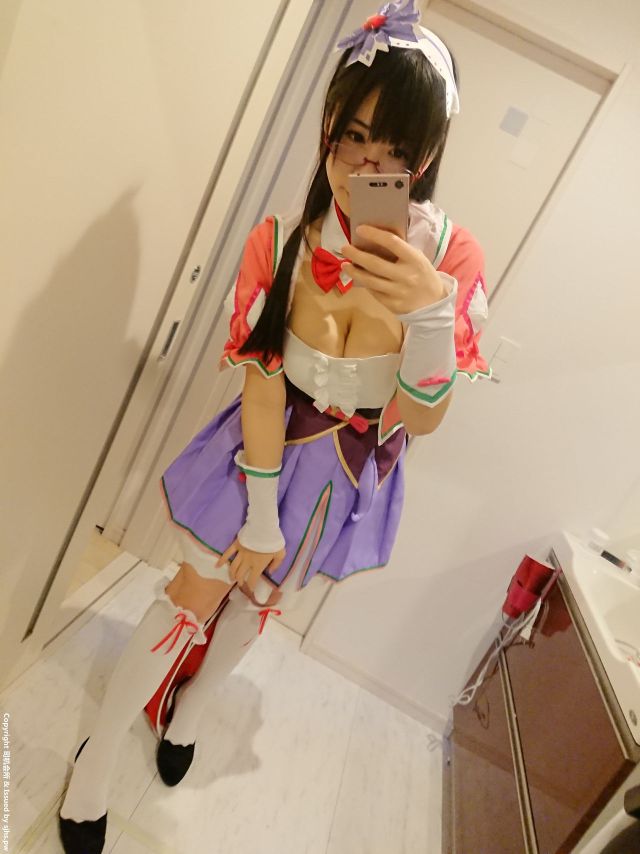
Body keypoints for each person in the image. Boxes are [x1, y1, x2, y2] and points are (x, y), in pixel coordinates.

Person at [58, 1, 491, 851]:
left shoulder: (451, 261)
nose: (368, 165)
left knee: (262, 604)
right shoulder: (281, 242)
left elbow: (422, 420)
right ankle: (94, 762)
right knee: (191, 596)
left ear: (426, 156)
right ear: (328, 126)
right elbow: (262, 384)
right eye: (354, 136)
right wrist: (259, 514)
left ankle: (187, 717)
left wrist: (430, 317)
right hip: (262, 449)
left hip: (348, 469)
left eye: (395, 150)